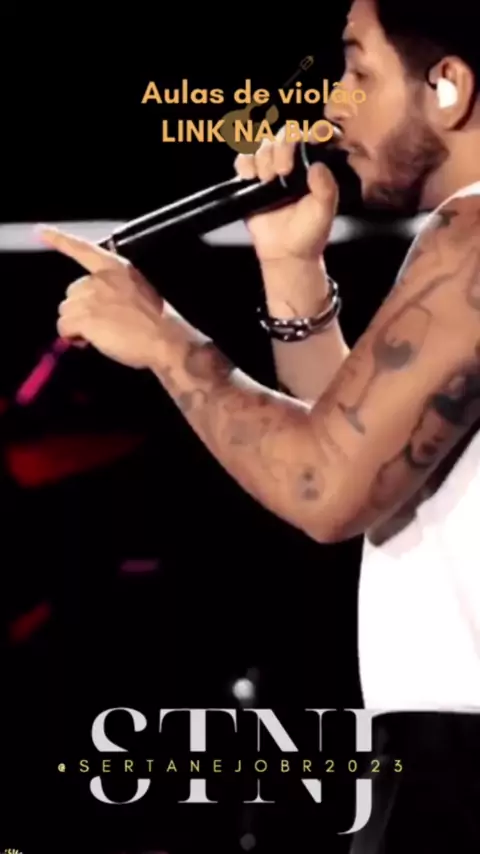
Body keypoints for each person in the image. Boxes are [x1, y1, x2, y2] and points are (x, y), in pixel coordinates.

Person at [36, 0, 480, 849]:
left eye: (359, 70)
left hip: (459, 754)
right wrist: (290, 266)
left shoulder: (473, 235)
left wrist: (163, 339)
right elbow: (366, 463)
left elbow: (323, 487)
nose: (332, 105)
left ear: (449, 86)